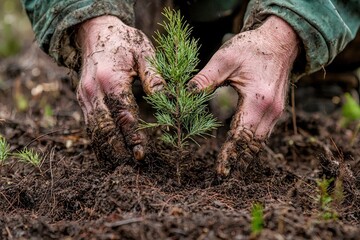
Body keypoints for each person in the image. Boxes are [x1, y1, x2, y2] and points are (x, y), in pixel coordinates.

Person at [21, 0, 360, 176]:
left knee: (318, 22)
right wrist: (93, 21)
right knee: (131, 101)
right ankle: (138, 83)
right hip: (152, 9)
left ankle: (317, 82)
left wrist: (287, 32)